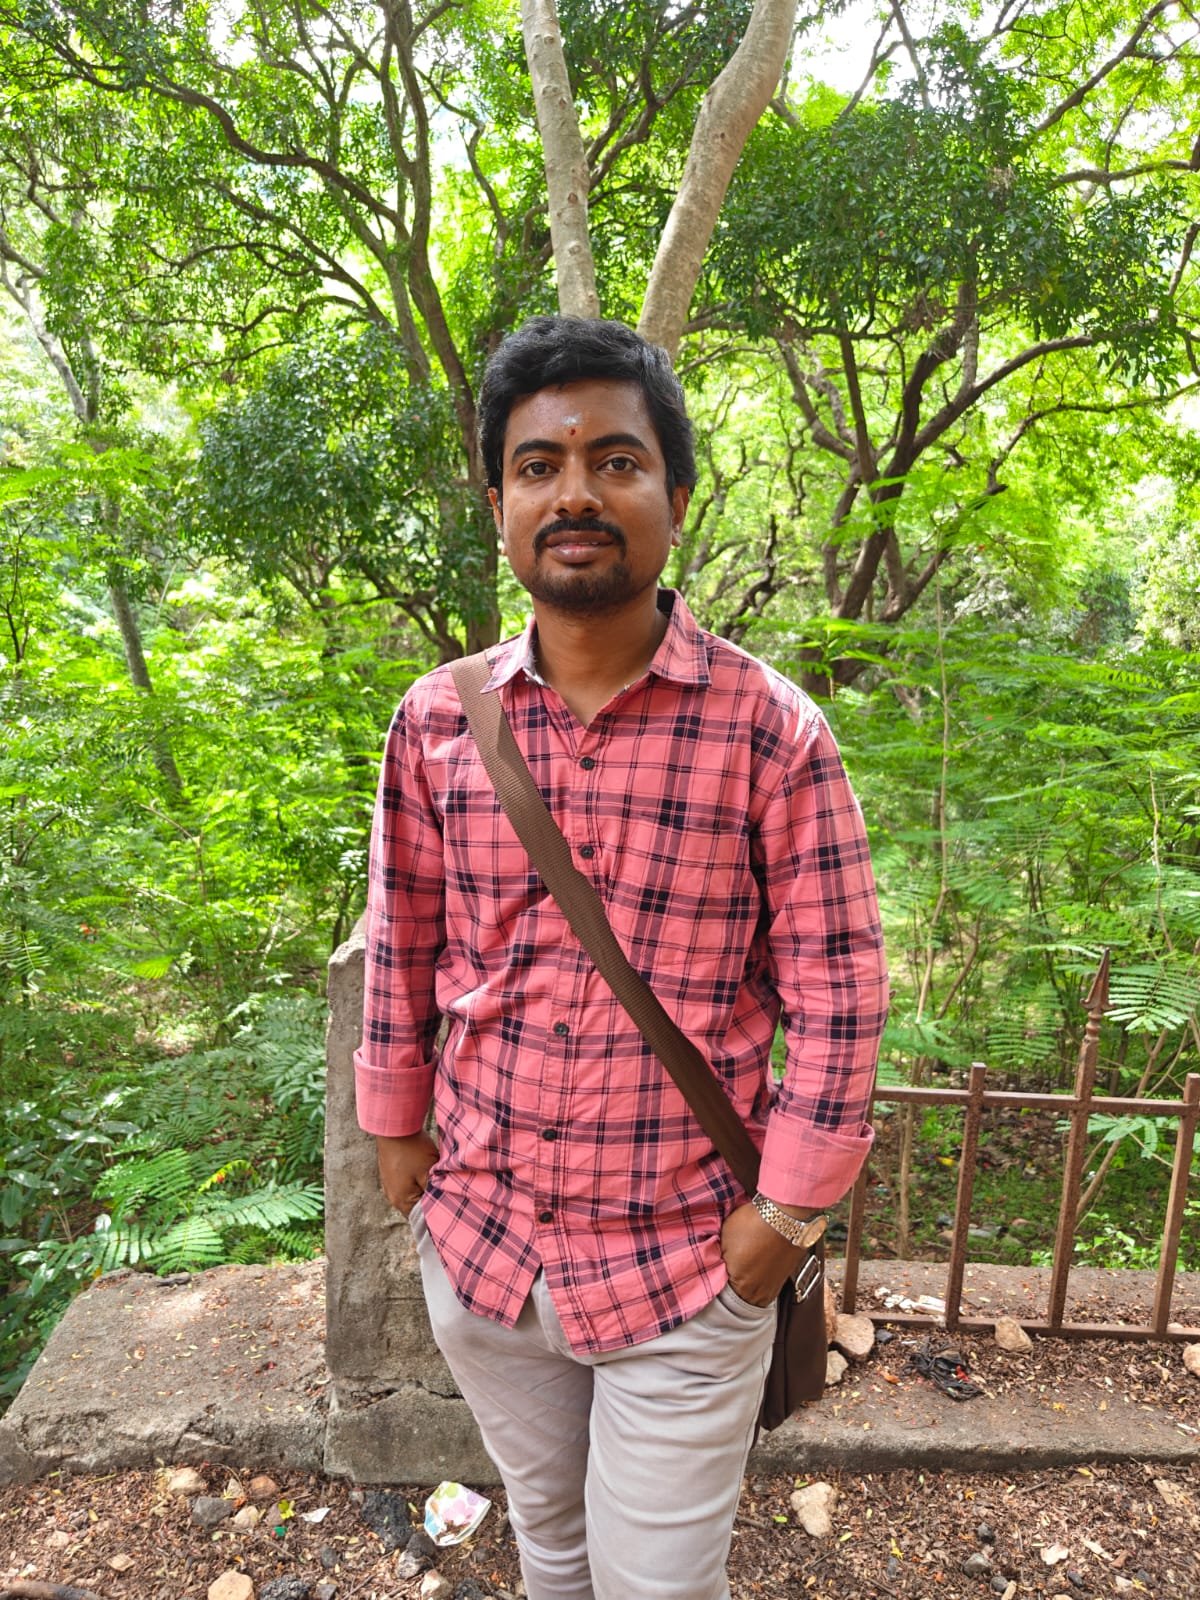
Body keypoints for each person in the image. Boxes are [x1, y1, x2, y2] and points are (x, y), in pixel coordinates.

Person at [354, 316, 888, 1600]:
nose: (575, 493)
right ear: (499, 503)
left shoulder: (771, 732)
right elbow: (403, 933)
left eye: (616, 460)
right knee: (551, 1542)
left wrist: (784, 1219)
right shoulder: (437, 722)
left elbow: (839, 990)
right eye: (538, 465)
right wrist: (395, 1130)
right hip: (485, 1244)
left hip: (689, 1257)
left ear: (676, 496)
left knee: (658, 1583)